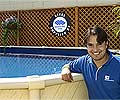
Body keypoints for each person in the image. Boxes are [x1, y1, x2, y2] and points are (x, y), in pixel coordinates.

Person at [61, 26, 120, 100]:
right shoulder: (84, 62)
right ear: (86, 46)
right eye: (90, 45)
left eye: (99, 44)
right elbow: (68, 65)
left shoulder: (118, 64)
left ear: (106, 44)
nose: (95, 49)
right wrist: (65, 69)